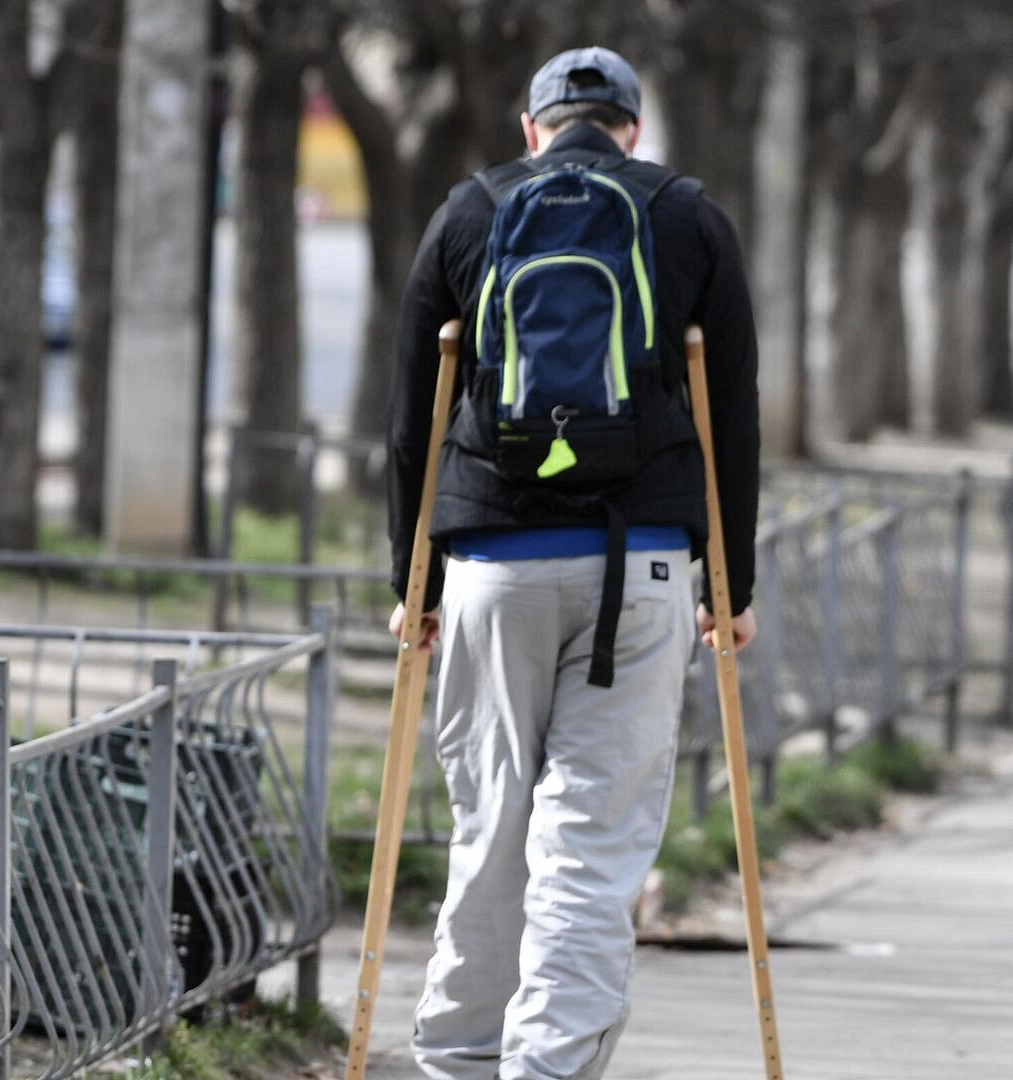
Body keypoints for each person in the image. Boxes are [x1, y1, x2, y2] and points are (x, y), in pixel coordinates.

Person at [385, 47, 760, 1080]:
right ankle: (545, 1067)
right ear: (632, 129)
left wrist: (407, 582)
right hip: (637, 569)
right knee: (588, 849)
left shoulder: (470, 211)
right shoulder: (686, 216)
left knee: (491, 826)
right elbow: (732, 414)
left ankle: (458, 1058)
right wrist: (734, 590)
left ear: (531, 125)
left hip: (488, 565)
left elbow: (414, 407)